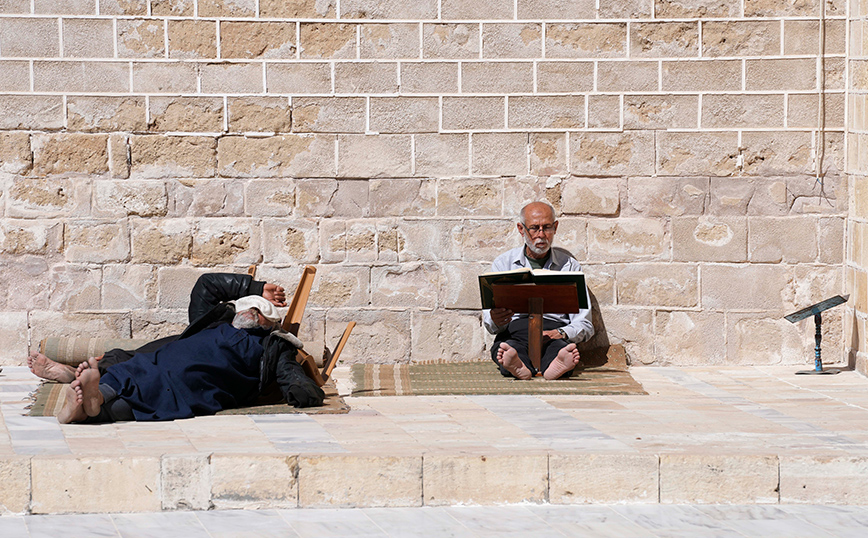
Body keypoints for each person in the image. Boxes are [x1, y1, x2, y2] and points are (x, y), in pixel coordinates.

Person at [28, 273, 287, 383]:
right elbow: (206, 285)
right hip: (182, 346)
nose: (252, 313)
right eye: (250, 306)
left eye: (261, 311)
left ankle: (78, 377)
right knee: (121, 356)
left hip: (194, 367)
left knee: (144, 371)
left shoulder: (258, 346)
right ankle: (74, 373)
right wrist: (256, 288)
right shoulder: (215, 321)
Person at [483, 201, 594, 380]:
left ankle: (556, 365)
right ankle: (518, 365)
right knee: (506, 349)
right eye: (534, 228)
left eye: (547, 227)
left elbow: (585, 323)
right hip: (515, 331)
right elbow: (489, 321)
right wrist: (496, 320)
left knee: (559, 349)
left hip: (553, 332)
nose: (541, 235)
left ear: (555, 227)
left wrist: (561, 333)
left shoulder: (569, 266)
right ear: (521, 229)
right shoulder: (503, 264)